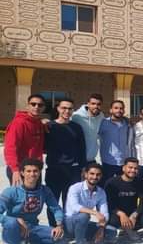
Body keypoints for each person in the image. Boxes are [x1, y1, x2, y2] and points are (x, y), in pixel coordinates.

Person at [0, 159, 64, 244]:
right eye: (28, 171)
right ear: (22, 173)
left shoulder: (44, 190)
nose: (32, 174)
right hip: (13, 228)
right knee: (12, 223)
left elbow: (56, 208)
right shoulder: (11, 192)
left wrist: (59, 225)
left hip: (32, 227)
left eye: (35, 171)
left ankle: (27, 242)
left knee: (57, 236)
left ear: (39, 173)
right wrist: (16, 219)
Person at [44, 98, 85, 227]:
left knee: (70, 201)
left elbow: (82, 149)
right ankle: (54, 227)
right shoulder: (49, 126)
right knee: (53, 201)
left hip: (73, 171)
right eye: (64, 108)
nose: (67, 111)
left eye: (70, 108)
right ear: (58, 109)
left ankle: (68, 227)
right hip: (54, 170)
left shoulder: (76, 127)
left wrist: (82, 168)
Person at [64, 163, 117, 244]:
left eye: (98, 174)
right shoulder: (75, 188)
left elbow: (104, 213)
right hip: (69, 223)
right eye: (92, 174)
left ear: (101, 176)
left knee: (112, 232)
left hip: (84, 223)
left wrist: (101, 228)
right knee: (84, 216)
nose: (95, 177)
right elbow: (75, 207)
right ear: (86, 174)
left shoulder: (101, 192)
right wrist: (95, 212)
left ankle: (84, 238)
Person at [4, 94, 46, 185]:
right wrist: (15, 170)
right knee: (20, 194)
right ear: (27, 106)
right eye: (33, 104)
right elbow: (10, 147)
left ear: (43, 108)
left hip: (35, 168)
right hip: (20, 169)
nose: (36, 107)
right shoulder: (18, 123)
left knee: (36, 194)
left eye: (40, 105)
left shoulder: (39, 123)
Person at [104, 157, 143, 241]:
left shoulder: (140, 182)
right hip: (116, 212)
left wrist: (135, 214)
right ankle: (119, 229)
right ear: (123, 168)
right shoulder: (111, 182)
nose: (133, 170)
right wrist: (121, 214)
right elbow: (108, 203)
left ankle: (130, 228)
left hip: (132, 212)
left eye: (135, 168)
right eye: (130, 167)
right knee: (112, 221)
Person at [98, 100, 135, 185]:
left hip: (123, 162)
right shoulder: (103, 123)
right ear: (111, 110)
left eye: (121, 108)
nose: (119, 110)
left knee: (122, 187)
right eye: (116, 108)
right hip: (107, 162)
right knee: (106, 186)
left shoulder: (128, 124)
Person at [71, 93, 104, 163]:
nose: (96, 106)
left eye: (99, 104)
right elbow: (63, 123)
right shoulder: (76, 116)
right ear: (88, 104)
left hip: (91, 159)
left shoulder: (101, 117)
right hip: (77, 160)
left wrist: (125, 119)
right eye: (93, 103)